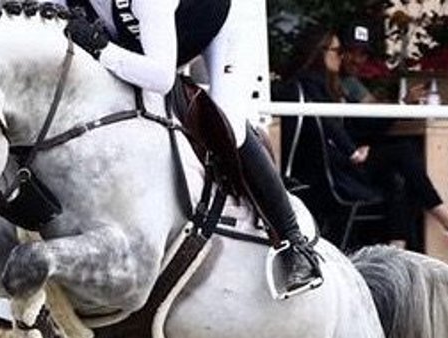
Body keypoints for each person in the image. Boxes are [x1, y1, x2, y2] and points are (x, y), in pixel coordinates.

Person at [61, 0, 323, 299]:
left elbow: (161, 77)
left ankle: (294, 243)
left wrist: (102, 50)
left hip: (221, 24)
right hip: (156, 36)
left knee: (230, 124)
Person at [284, 25, 448, 249]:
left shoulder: (324, 84)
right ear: (318, 52)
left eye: (361, 52)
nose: (345, 56)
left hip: (339, 162)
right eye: (339, 50)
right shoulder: (311, 85)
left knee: (396, 175)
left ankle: (397, 248)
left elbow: (351, 125)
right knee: (403, 151)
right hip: (332, 172)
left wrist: (359, 145)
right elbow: (326, 122)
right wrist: (352, 150)